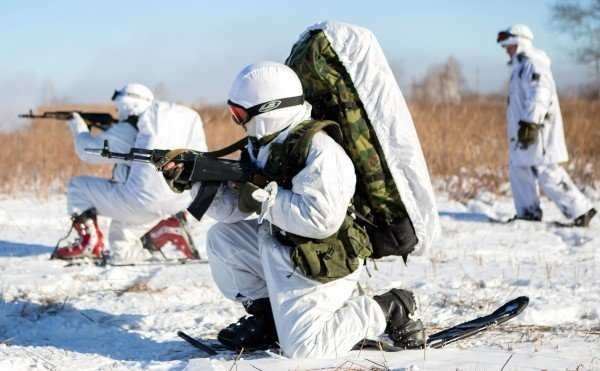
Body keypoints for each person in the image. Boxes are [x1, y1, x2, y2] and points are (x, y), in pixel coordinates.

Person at [167, 62, 426, 358]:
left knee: (305, 349)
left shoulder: (320, 151)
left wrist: (261, 200)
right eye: (233, 113)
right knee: (222, 238)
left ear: (270, 110)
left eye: (240, 114)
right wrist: (193, 183)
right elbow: (233, 212)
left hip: (320, 260)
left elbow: (320, 220)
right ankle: (268, 320)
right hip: (283, 245)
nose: (238, 123)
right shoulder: (264, 146)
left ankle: (389, 306)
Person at [53, 83, 207, 263]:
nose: (118, 113)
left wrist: (78, 126)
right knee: (120, 247)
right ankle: (165, 228)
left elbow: (86, 151)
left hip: (140, 202)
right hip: (178, 202)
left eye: (118, 108)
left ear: (127, 103)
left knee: (77, 186)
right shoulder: (168, 125)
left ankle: (88, 243)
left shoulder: (130, 127)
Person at [497, 24, 596, 226]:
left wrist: (531, 123)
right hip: (522, 132)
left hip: (536, 131)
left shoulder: (534, 63)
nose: (506, 50)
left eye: (509, 45)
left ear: (520, 43)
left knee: (546, 171)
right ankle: (528, 212)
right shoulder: (520, 67)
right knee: (519, 168)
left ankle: (582, 210)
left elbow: (540, 93)